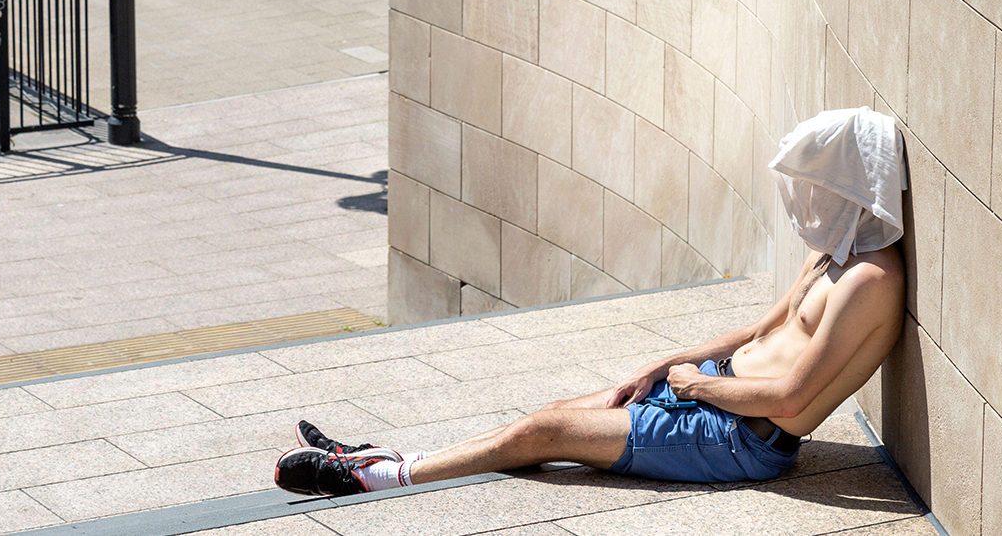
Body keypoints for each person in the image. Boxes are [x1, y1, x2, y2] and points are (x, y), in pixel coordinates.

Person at [274, 107, 909, 497]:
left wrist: (696, 389)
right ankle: (380, 457)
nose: (804, 200)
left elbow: (794, 401)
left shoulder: (870, 281)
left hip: (739, 436)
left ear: (848, 182)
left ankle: (372, 477)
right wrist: (666, 366)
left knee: (544, 432)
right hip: (712, 391)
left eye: (815, 184)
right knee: (548, 415)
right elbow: (759, 331)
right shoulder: (834, 250)